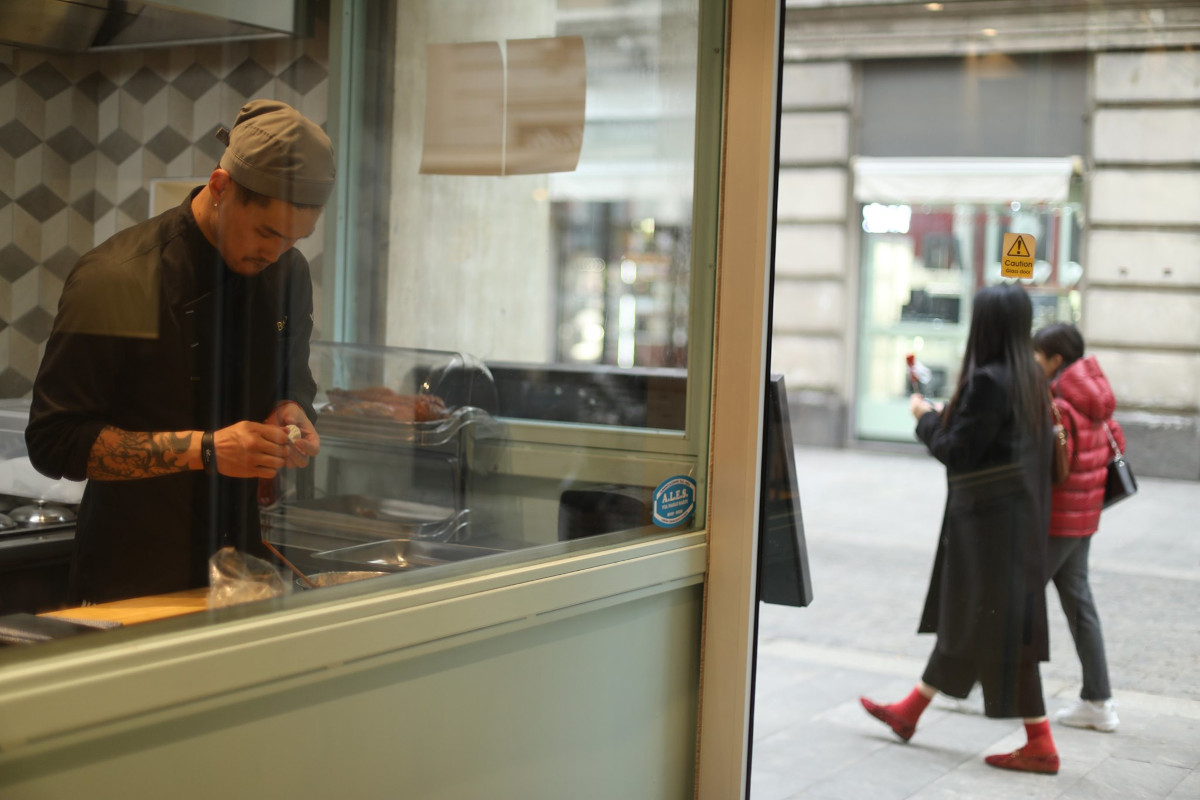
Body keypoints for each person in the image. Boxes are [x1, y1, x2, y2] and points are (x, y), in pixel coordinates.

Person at [27, 100, 333, 604]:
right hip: (130, 582)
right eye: (266, 232)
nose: (277, 253)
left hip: (242, 577)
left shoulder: (287, 274)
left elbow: (291, 382)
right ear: (220, 188)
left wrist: (291, 413)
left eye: (295, 239)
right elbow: (55, 441)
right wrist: (206, 450)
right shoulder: (120, 278)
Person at [860, 283, 1060, 774]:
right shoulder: (1031, 377)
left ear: (984, 324)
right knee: (977, 622)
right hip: (1016, 525)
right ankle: (910, 712)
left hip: (986, 533)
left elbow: (957, 451)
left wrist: (924, 418)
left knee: (995, 628)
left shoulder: (989, 381)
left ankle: (1041, 745)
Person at [1034, 322, 1123, 732]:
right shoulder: (1097, 394)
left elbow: (1053, 466)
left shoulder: (1062, 401)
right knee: (1080, 604)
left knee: (1013, 598)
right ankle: (1098, 701)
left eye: (1039, 354)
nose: (1034, 360)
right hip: (1085, 519)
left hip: (1058, 521)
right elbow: (1117, 442)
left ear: (1055, 359)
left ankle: (980, 687)